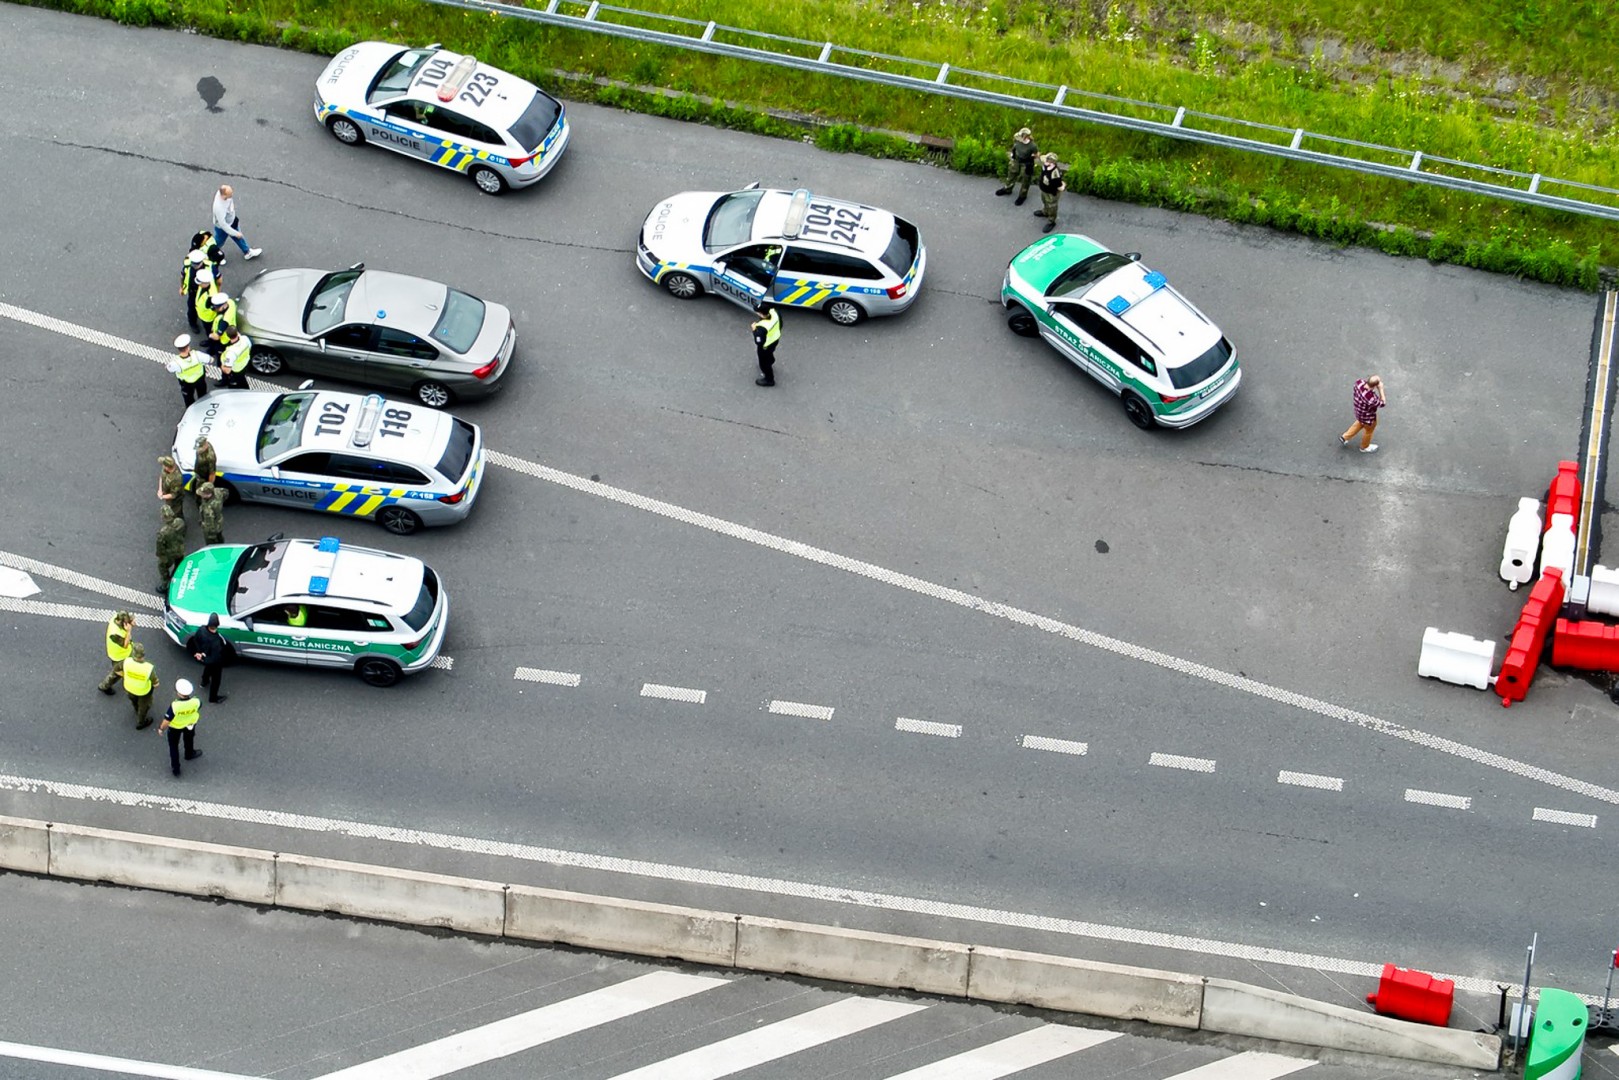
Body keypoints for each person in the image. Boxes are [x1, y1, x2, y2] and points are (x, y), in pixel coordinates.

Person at [160, 679, 203, 778]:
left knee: (173, 746)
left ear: (179, 693)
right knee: (189, 739)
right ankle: (189, 754)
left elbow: (167, 720)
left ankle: (176, 768)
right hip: (190, 724)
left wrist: (161, 728)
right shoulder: (196, 701)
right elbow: (199, 706)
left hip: (175, 727)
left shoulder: (175, 706)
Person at [186, 613, 229, 704]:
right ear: (217, 625)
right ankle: (213, 698)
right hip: (213, 661)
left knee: (208, 669)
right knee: (216, 680)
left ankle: (204, 681)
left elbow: (196, 640)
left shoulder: (201, 630)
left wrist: (199, 653)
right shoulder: (216, 641)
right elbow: (216, 657)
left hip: (203, 656)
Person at [212, 184, 262, 261]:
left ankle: (247, 252)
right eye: (230, 194)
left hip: (231, 221)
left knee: (239, 238)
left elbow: (230, 203)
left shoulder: (223, 195)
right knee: (219, 241)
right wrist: (235, 233)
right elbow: (223, 225)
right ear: (224, 195)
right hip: (222, 227)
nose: (232, 195)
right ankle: (213, 254)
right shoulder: (219, 208)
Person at [1340, 374, 1387, 453]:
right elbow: (1382, 403)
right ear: (1375, 385)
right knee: (1369, 431)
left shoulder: (1359, 383)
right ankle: (1364, 447)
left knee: (1359, 423)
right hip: (1368, 417)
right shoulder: (1371, 398)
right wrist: (1381, 389)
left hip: (1359, 412)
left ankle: (1345, 437)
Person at [995, 127, 1039, 205]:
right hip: (1016, 159)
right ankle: (1007, 189)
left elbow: (1036, 154)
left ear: (1026, 136)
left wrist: (1031, 159)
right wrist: (1013, 155)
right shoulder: (1017, 138)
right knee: (1012, 174)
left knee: (1025, 179)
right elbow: (1014, 146)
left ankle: (1022, 195)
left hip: (1026, 162)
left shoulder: (1032, 146)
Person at [96, 611, 135, 695]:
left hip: (124, 653)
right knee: (116, 674)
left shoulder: (115, 617)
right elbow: (125, 645)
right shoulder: (115, 635)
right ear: (123, 623)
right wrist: (128, 632)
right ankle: (104, 686)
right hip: (119, 656)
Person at [122, 642, 158, 730]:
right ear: (143, 655)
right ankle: (141, 722)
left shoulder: (126, 661)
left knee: (134, 701)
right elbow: (156, 683)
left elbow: (117, 670)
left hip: (129, 688)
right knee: (143, 707)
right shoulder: (148, 668)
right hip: (143, 691)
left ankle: (136, 709)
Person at [167, 335, 208, 407]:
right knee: (203, 396)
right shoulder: (197, 355)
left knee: (189, 399)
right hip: (200, 380)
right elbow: (209, 359)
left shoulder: (175, 362)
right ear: (188, 347)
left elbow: (169, 369)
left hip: (186, 384)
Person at [1034, 152, 1067, 234]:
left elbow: (1059, 185)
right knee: (1044, 201)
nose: (1043, 161)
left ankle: (1051, 221)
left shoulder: (1055, 173)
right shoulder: (1045, 166)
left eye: (1046, 160)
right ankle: (1045, 212)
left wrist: (1062, 186)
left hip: (1051, 193)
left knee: (1052, 206)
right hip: (1044, 189)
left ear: (1051, 162)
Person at [157, 504, 187, 593]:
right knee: (179, 564)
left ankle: (165, 585)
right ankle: (178, 577)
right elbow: (183, 534)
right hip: (180, 549)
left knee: (162, 568)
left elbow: (160, 548)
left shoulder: (163, 532)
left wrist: (162, 557)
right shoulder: (180, 522)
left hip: (169, 554)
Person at [750, 304, 781, 387]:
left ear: (761, 314)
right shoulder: (774, 312)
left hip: (765, 346)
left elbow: (759, 342)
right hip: (775, 339)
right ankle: (771, 360)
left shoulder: (761, 327)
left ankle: (769, 380)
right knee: (770, 353)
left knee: (764, 364)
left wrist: (754, 330)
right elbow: (780, 323)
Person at [205, 291, 238, 359]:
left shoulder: (224, 321)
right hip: (219, 328)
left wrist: (210, 335)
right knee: (213, 343)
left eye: (217, 307)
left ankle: (218, 361)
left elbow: (217, 337)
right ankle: (211, 350)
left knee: (219, 352)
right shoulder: (230, 302)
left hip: (223, 339)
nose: (216, 309)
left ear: (224, 305)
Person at [158, 456, 187, 521]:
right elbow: (161, 477)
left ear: (168, 467)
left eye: (164, 465)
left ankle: (179, 524)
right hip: (167, 494)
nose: (162, 466)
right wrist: (160, 489)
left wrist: (162, 496)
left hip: (175, 499)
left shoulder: (177, 478)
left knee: (176, 513)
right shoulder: (165, 468)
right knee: (169, 508)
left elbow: (173, 495)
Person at [192, 266, 219, 330]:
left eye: (200, 283)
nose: (199, 285)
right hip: (203, 314)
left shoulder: (211, 296)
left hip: (207, 317)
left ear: (205, 283)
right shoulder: (208, 282)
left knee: (209, 330)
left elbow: (215, 308)